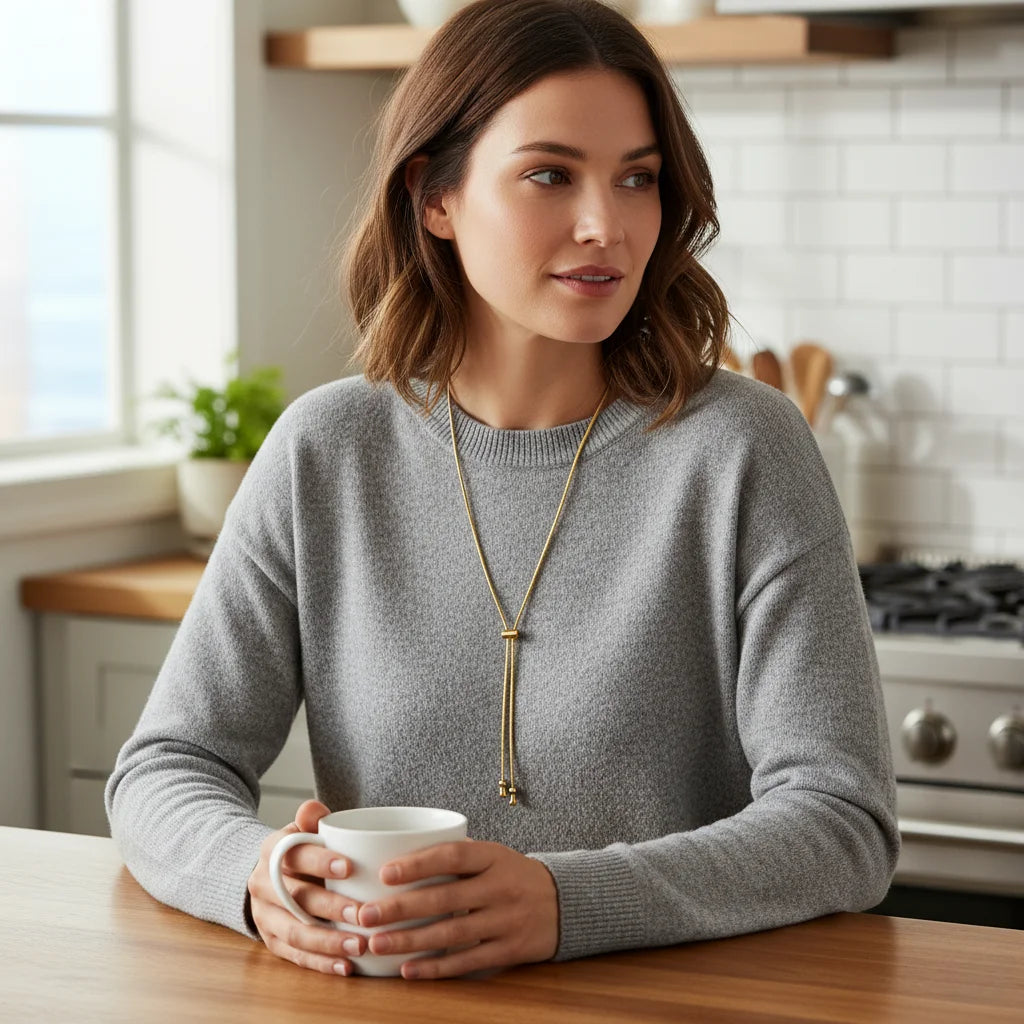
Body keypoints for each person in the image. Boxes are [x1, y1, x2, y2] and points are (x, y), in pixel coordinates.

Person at [106, 0, 899, 982]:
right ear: (434, 197)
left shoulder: (745, 447)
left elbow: (841, 819)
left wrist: (567, 903)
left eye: (637, 178)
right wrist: (259, 873)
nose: (605, 223)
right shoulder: (326, 450)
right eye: (548, 175)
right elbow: (163, 768)